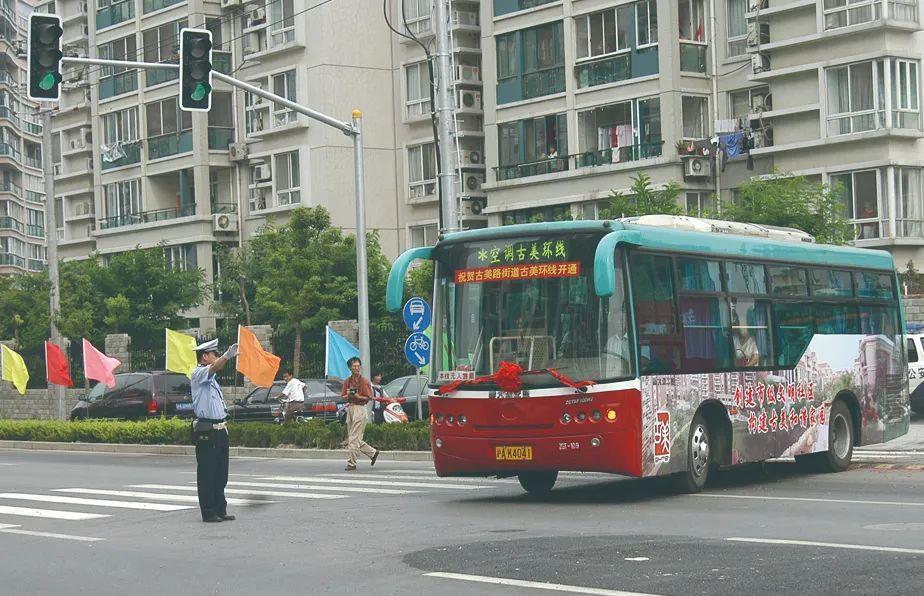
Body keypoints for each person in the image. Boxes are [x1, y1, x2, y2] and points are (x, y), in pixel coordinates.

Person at [191, 338, 238, 523]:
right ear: (205, 356)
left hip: (220, 430)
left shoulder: (212, 381)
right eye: (214, 354)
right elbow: (214, 368)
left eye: (218, 354)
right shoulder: (198, 374)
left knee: (221, 473)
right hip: (207, 430)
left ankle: (220, 508)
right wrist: (227, 356)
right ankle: (208, 511)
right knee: (207, 474)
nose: (217, 357)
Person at [341, 357, 380, 471]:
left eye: (358, 366)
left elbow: (368, 398)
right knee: (353, 437)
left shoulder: (364, 381)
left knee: (353, 438)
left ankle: (352, 463)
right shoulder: (347, 381)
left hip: (360, 408)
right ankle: (373, 453)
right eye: (354, 366)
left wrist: (358, 396)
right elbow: (342, 396)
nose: (356, 368)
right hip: (350, 408)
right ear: (350, 368)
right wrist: (349, 395)